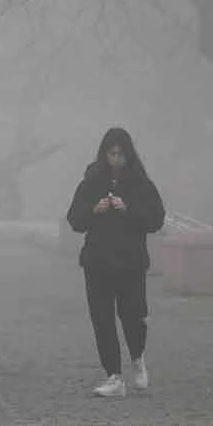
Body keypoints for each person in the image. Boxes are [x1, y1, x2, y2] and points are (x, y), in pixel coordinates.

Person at [66, 127, 165, 398]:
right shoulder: (91, 182)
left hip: (131, 262)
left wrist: (128, 211)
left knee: (133, 315)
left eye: (121, 154)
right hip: (97, 262)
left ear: (129, 155)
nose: (116, 160)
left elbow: (156, 219)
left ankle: (137, 357)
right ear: (104, 154)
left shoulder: (142, 184)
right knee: (102, 319)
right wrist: (93, 211)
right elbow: (74, 219)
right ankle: (114, 376)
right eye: (112, 154)